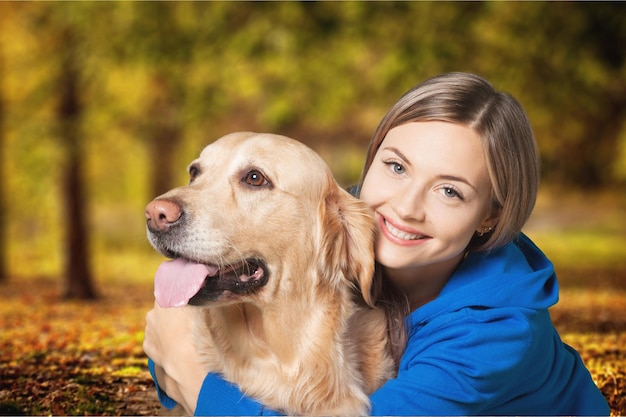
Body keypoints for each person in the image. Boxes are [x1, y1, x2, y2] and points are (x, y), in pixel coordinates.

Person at [143, 72, 610, 415]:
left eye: (450, 191)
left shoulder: (493, 336)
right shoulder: (347, 227)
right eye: (397, 166)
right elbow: (170, 356)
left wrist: (199, 383)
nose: (405, 208)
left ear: (491, 216)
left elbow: (183, 371)